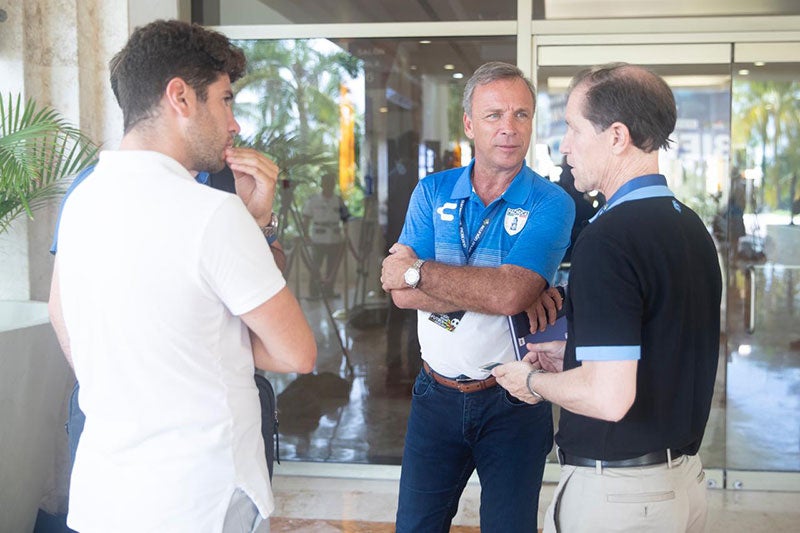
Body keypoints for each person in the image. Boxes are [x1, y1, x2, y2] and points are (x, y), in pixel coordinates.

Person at [47, 20, 317, 533]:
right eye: (225, 100)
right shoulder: (212, 213)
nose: (234, 123)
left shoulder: (81, 200)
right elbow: (296, 352)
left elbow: (63, 314)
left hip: (104, 494)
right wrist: (201, 342)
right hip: (199, 496)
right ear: (180, 97)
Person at [493, 63, 723, 533]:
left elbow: (608, 397)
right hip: (683, 486)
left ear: (617, 136)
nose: (565, 147)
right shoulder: (690, 226)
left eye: (574, 129)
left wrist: (531, 382)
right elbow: (662, 345)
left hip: (620, 500)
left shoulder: (609, 238)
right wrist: (573, 356)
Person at [381, 61, 574, 532]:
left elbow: (510, 294)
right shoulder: (432, 191)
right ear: (469, 124)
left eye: (521, 115)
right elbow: (402, 298)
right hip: (434, 394)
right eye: (493, 115)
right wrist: (493, 287)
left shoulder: (550, 202)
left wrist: (417, 272)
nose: (509, 128)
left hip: (513, 398)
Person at [302, 172, 349, 299]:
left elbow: (345, 219)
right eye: (326, 183)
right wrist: (305, 235)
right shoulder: (313, 200)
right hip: (318, 238)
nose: (328, 186)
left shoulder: (338, 200)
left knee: (332, 267)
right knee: (315, 266)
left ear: (334, 185)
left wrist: (346, 235)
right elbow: (306, 218)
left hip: (334, 238)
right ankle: (314, 293)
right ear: (322, 185)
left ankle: (329, 291)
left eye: (331, 183)